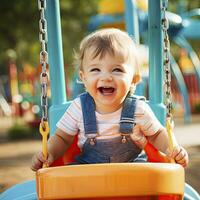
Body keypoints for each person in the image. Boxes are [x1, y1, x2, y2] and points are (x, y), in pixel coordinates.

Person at [31, 28, 188, 171]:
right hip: (89, 171)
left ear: (134, 79)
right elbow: (62, 138)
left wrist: (171, 148)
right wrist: (49, 153)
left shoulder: (138, 109)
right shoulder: (79, 107)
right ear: (83, 77)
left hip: (132, 170)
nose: (106, 77)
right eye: (95, 69)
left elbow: (157, 134)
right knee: (67, 179)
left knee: (152, 176)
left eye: (117, 70)